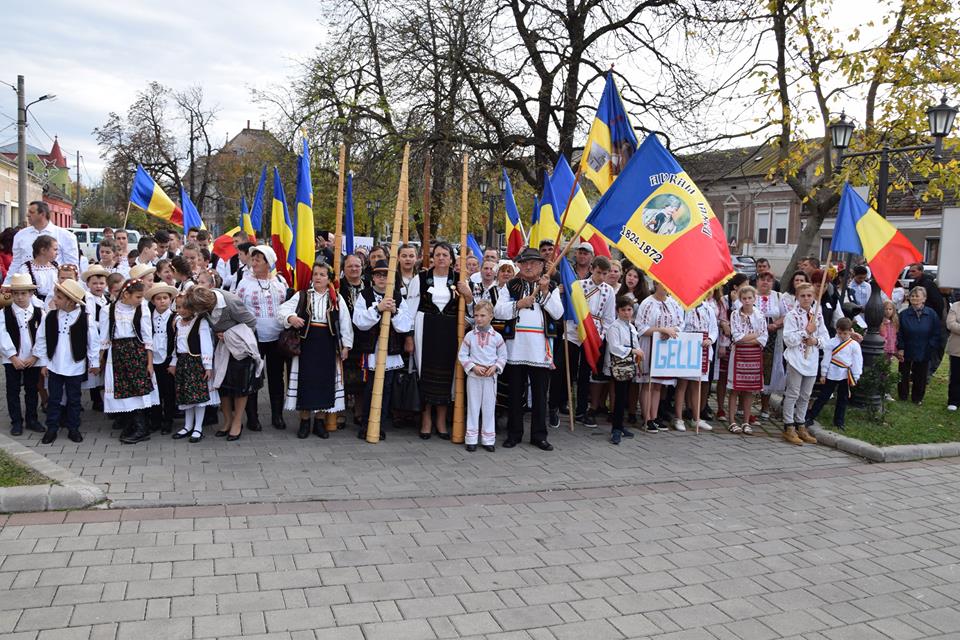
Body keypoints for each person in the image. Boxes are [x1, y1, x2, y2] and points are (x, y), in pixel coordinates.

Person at [494, 248, 563, 450]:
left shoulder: (550, 285)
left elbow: (558, 314)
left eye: (533, 263)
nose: (528, 266)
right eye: (524, 263)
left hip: (540, 348)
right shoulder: (511, 286)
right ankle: (514, 434)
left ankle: (539, 435)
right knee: (516, 393)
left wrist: (544, 292)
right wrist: (518, 304)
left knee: (540, 394)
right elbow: (498, 310)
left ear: (542, 265)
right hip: (516, 347)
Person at [278, 262, 354, 437]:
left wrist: (346, 346)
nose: (318, 277)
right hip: (306, 345)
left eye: (322, 275)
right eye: (316, 274)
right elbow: (282, 310)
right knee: (306, 382)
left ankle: (319, 422)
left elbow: (345, 323)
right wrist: (291, 317)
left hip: (327, 345)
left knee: (324, 383)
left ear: (329, 279)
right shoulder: (303, 296)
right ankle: (304, 422)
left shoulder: (336, 298)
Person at [407, 242, 473, 439]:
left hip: (450, 333)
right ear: (432, 258)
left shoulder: (459, 280)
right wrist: (409, 336)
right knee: (425, 373)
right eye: (437, 255)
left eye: (445, 254)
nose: (441, 258)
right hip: (425, 330)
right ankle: (426, 420)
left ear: (452, 259)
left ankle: (441, 421)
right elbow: (409, 310)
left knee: (447, 376)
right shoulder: (420, 279)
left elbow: (472, 313)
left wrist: (467, 294)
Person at [351, 259, 413, 440]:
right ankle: (366, 424)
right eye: (378, 275)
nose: (382, 278)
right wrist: (377, 309)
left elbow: (405, 325)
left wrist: (394, 312)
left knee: (386, 389)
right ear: (372, 277)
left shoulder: (398, 296)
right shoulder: (365, 295)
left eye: (385, 275)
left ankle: (380, 424)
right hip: (372, 351)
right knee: (370, 388)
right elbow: (359, 321)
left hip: (390, 352)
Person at [189, 286, 260, 439]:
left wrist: (230, 335)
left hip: (238, 349)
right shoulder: (201, 303)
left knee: (240, 386)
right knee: (222, 385)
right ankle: (227, 420)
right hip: (220, 349)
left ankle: (237, 422)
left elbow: (251, 323)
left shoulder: (231, 302)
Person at [34, 279, 100, 444]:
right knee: (54, 399)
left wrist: (94, 362)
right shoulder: (50, 316)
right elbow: (41, 339)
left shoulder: (85, 318)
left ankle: (73, 428)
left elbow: (93, 342)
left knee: (74, 399)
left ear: (70, 301)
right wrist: (43, 362)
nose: (54, 299)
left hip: (75, 366)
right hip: (54, 365)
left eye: (59, 297)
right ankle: (52, 428)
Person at [235, 246, 290, 431]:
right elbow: (237, 307)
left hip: (277, 337)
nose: (254, 262)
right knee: (253, 376)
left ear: (268, 262)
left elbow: (288, 306)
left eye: (258, 259)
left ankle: (277, 416)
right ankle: (252, 417)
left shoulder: (280, 281)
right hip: (253, 337)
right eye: (253, 259)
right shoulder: (244, 283)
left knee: (276, 377)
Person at [99, 278, 158, 444]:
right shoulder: (108, 310)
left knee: (138, 389)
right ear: (126, 294)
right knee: (123, 390)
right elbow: (104, 338)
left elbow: (147, 338)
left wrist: (149, 363)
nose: (141, 300)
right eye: (138, 297)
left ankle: (142, 428)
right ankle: (132, 424)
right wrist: (99, 360)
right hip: (118, 353)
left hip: (136, 352)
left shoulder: (142, 309)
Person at [569, 255, 616, 428]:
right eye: (598, 273)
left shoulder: (609, 291)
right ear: (591, 269)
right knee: (569, 369)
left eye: (605, 274)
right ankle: (558, 406)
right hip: (575, 333)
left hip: (594, 335)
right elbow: (572, 310)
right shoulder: (579, 286)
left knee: (585, 374)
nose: (601, 277)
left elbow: (609, 318)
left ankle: (582, 410)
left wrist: (600, 336)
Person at [169, 288, 220, 442]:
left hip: (196, 363)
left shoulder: (200, 322)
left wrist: (208, 366)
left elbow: (206, 345)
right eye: (178, 307)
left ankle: (198, 427)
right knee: (186, 397)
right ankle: (187, 425)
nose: (181, 310)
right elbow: (176, 344)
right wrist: (174, 361)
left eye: (184, 307)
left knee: (198, 397)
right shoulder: (178, 323)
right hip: (183, 363)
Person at [781, 283, 828, 445]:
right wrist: (805, 332)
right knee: (793, 393)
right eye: (803, 296)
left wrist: (815, 340)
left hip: (811, 359)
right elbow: (788, 339)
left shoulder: (818, 315)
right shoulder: (792, 316)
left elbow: (825, 338)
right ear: (797, 297)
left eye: (809, 295)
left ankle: (801, 423)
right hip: (796, 359)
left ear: (814, 297)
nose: (806, 298)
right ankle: (788, 425)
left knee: (806, 395)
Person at [458, 299, 507, 452]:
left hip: (490, 379)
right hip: (474, 377)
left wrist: (495, 367)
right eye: (477, 315)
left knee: (489, 407)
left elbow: (503, 356)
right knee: (473, 407)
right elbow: (463, 355)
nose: (479, 319)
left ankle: (488, 439)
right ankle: (471, 439)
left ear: (491, 316)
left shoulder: (497, 337)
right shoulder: (470, 336)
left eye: (483, 315)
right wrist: (473, 367)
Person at [635, 281, 684, 432]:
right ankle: (646, 417)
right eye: (664, 284)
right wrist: (660, 330)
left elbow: (681, 323)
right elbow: (641, 327)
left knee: (657, 384)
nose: (667, 287)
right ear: (656, 285)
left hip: (664, 346)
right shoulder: (647, 303)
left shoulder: (673, 303)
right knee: (647, 382)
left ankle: (654, 416)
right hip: (649, 344)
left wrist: (670, 330)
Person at [1, 273, 45, 436]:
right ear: (11, 294)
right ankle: (16, 421)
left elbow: (43, 336)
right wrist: (12, 357)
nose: (20, 298)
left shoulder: (40, 312)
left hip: (32, 359)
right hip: (12, 359)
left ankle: (32, 419)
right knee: (12, 390)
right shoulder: (4, 313)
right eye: (16, 294)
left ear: (31, 294)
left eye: (23, 293)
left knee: (32, 389)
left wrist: (35, 356)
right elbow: (2, 334)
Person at [806, 317, 862, 431]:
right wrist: (823, 373)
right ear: (836, 330)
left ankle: (839, 421)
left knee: (843, 398)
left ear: (850, 331)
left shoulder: (854, 345)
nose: (842, 335)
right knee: (824, 396)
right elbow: (826, 359)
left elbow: (857, 361)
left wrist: (856, 376)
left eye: (845, 333)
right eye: (839, 332)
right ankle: (810, 416)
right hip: (832, 372)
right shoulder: (831, 343)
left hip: (845, 374)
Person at [3, 201, 79, 285]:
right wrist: (7, 284)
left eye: (31, 212)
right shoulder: (20, 235)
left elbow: (71, 266)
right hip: (25, 287)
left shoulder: (66, 236)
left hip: (55, 286)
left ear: (42, 214)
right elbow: (16, 263)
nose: (27, 215)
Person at [726, 285, 768, 435]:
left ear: (754, 298)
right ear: (740, 299)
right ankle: (731, 420)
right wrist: (754, 336)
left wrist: (748, 339)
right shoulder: (735, 314)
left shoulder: (760, 315)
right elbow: (736, 337)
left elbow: (763, 337)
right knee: (735, 389)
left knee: (749, 389)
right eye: (744, 298)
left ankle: (745, 421)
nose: (747, 301)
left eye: (750, 298)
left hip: (754, 355)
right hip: (738, 355)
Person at [604, 296, 642, 444]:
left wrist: (638, 352)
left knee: (624, 396)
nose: (627, 313)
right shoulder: (614, 327)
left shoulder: (631, 327)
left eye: (629, 309)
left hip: (629, 365)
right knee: (619, 397)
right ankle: (616, 428)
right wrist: (633, 351)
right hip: (618, 365)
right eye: (623, 310)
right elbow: (615, 347)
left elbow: (636, 343)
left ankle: (620, 425)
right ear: (617, 311)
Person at [675, 300, 717, 432]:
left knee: (697, 384)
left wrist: (710, 339)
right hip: (686, 347)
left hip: (702, 348)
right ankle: (678, 417)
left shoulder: (708, 308)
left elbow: (713, 328)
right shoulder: (683, 306)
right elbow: (680, 325)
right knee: (682, 384)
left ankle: (696, 417)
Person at [897, 287, 940, 404]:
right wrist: (900, 347)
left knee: (920, 374)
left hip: (924, 347)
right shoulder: (903, 314)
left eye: (917, 296)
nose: (914, 298)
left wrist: (930, 346)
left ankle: (917, 398)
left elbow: (936, 332)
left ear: (924, 299)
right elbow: (899, 332)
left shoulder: (931, 314)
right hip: (907, 346)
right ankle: (903, 395)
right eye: (912, 296)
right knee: (903, 373)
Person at [146, 283, 178, 435]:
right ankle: (155, 418)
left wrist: (173, 361)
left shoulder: (174, 318)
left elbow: (178, 341)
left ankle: (168, 420)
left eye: (165, 298)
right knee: (155, 391)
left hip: (168, 358)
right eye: (158, 298)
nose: (162, 301)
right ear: (153, 301)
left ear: (170, 299)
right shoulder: (148, 316)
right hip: (153, 359)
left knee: (168, 392)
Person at [81, 265, 110, 411]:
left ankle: (100, 396)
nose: (98, 286)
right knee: (96, 364)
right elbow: (90, 319)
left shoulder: (106, 298)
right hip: (95, 336)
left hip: (105, 336)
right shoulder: (89, 299)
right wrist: (103, 324)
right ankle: (96, 398)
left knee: (103, 365)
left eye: (101, 283)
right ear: (88, 284)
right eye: (94, 283)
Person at [756, 272, 785, 420]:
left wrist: (775, 324)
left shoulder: (779, 297)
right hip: (753, 337)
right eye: (762, 280)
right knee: (751, 368)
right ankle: (742, 406)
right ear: (757, 281)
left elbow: (786, 315)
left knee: (767, 371)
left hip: (772, 339)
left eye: (769, 280)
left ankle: (765, 407)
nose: (765, 283)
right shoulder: (751, 294)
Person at [24, 236, 60, 301]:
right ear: (43, 250)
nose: (57, 253)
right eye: (55, 249)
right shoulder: (26, 268)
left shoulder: (55, 267)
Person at [947, 299, 960, 411]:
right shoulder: (955, 306)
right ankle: (953, 400)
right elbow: (950, 324)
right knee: (956, 375)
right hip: (957, 348)